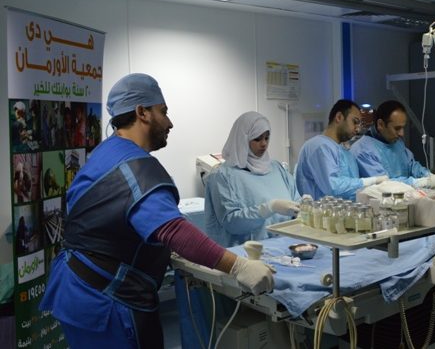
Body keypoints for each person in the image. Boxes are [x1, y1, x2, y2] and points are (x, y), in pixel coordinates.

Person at [39, 73, 275, 349]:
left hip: (75, 289)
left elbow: (105, 221)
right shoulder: (137, 169)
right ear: (142, 113)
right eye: (163, 111)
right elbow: (174, 230)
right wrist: (239, 266)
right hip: (107, 302)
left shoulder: (105, 153)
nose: (170, 122)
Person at [206, 111, 301, 247]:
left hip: (285, 246)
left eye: (267, 138)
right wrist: (268, 208)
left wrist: (304, 206)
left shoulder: (276, 168)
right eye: (257, 139)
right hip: (245, 252)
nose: (264, 144)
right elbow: (231, 222)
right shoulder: (221, 176)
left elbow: (294, 199)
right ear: (242, 139)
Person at [296, 99, 387, 200]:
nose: (358, 129)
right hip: (321, 209)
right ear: (339, 117)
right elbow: (333, 188)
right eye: (355, 122)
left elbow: (351, 190)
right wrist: (371, 181)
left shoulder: (344, 152)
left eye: (359, 124)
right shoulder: (319, 146)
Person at [350, 100, 435, 188]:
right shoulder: (363, 151)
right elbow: (384, 185)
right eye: (397, 128)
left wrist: (428, 175)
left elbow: (412, 166)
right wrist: (421, 182)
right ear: (380, 124)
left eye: (403, 127)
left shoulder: (396, 143)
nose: (402, 134)